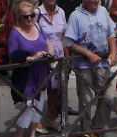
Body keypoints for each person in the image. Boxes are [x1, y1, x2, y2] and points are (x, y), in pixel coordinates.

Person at [65, 0, 117, 137]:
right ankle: (86, 130)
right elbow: (69, 42)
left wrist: (114, 52)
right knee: (86, 99)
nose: (96, 1)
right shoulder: (75, 16)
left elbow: (111, 34)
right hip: (83, 65)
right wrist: (88, 54)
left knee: (108, 96)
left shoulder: (103, 11)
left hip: (102, 62)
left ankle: (99, 127)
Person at [8, 3, 52, 137]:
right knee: (28, 106)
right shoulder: (15, 33)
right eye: (25, 16)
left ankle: (32, 136)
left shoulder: (37, 26)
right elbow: (13, 55)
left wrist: (50, 52)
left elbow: (46, 41)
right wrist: (31, 58)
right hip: (26, 75)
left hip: (42, 71)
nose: (29, 19)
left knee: (39, 105)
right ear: (19, 17)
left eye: (32, 15)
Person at [37, 0, 68, 130]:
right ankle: (36, 121)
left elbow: (63, 36)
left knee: (55, 89)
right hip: (42, 58)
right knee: (40, 89)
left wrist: (67, 57)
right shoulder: (36, 13)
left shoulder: (61, 12)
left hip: (58, 58)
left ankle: (51, 118)